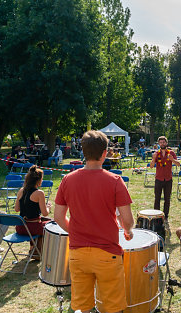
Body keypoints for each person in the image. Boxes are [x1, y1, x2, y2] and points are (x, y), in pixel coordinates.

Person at [54, 130, 134, 313]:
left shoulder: (67, 180)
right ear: (106, 153)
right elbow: (128, 220)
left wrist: (74, 231)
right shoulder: (115, 181)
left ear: (82, 151)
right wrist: (128, 230)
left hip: (77, 254)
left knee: (82, 308)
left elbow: (58, 217)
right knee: (113, 308)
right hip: (107, 254)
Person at [14, 165, 52, 259]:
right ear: (38, 180)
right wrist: (48, 207)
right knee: (51, 224)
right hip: (32, 228)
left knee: (41, 222)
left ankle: (33, 248)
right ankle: (37, 250)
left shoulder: (21, 191)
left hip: (20, 227)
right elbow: (45, 213)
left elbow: (16, 209)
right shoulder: (39, 193)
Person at [149, 136, 180, 220]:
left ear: (166, 143)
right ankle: (156, 215)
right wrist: (153, 158)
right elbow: (151, 166)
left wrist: (172, 160)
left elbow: (178, 164)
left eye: (164, 142)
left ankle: (165, 216)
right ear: (158, 144)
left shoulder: (171, 153)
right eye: (161, 142)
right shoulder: (156, 153)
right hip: (158, 179)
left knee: (167, 199)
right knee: (157, 198)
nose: (162, 144)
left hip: (168, 179)